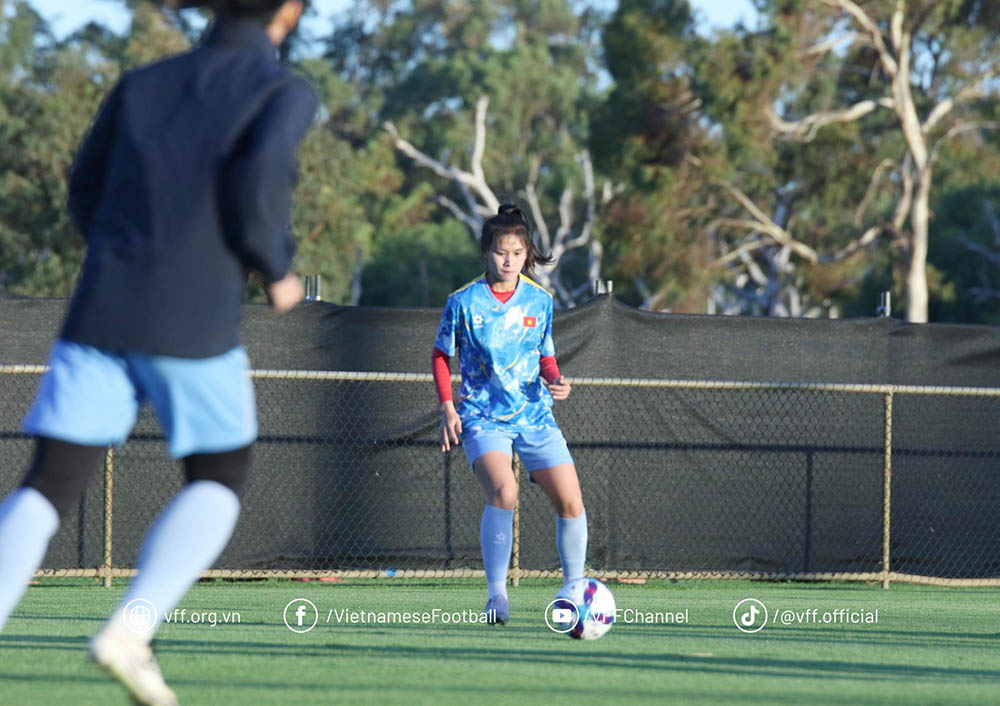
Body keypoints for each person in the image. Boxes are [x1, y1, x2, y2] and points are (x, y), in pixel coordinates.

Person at [0, 1, 316, 703]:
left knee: (48, 484)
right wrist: (277, 265)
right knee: (219, 473)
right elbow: (260, 177)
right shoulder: (282, 88)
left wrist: (126, 249)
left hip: (102, 305)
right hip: (194, 317)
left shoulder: (142, 81)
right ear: (289, 13)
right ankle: (130, 628)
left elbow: (83, 193)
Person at [432, 203, 588, 625]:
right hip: (483, 416)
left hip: (535, 416)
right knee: (504, 492)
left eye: (517, 253)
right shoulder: (463, 302)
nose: (509, 260)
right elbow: (442, 356)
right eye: (502, 251)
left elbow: (546, 356)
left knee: (571, 502)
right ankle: (497, 597)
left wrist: (556, 379)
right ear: (487, 251)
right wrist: (448, 407)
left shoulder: (541, 300)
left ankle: (575, 594)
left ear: (527, 255)